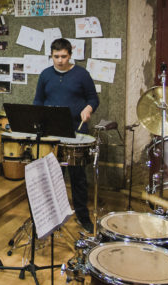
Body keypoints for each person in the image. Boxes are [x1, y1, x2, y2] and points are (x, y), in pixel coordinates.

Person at [34, 38, 99, 233]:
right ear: (51, 56)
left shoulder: (82, 74)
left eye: (63, 56)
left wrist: (88, 109)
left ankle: (82, 216)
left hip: (75, 130)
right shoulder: (45, 75)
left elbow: (93, 98)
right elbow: (38, 100)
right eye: (56, 56)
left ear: (70, 55)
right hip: (51, 131)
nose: (60, 60)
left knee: (77, 176)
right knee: (52, 175)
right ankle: (52, 216)